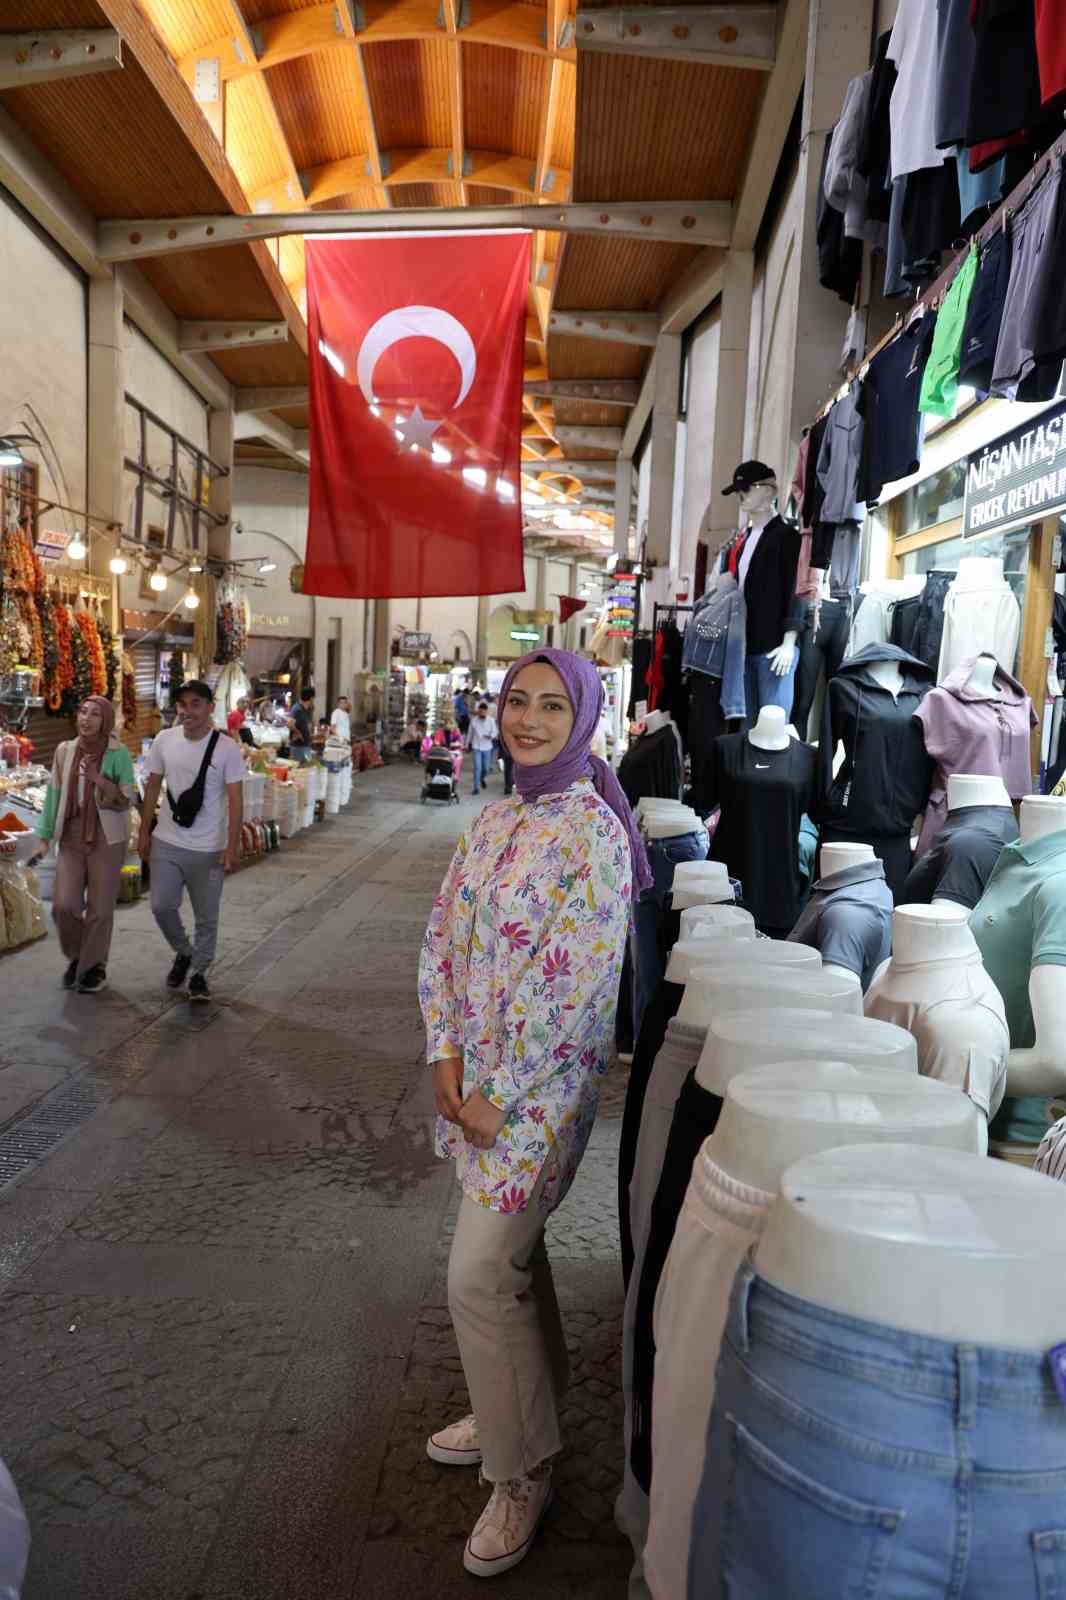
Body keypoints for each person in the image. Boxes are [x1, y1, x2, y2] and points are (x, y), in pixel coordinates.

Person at [419, 648, 650, 1578]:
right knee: (513, 1260)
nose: (530, 720)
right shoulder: (494, 818)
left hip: (538, 1097)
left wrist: (498, 1089)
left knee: (477, 1274)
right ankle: (513, 1400)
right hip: (475, 1080)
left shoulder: (593, 832)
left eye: (554, 706)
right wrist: (443, 1047)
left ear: (585, 718)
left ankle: (523, 1469)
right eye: (519, 700)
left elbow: (576, 988)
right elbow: (442, 937)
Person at [138, 679, 244, 1003]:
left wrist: (231, 846)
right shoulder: (164, 740)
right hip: (166, 842)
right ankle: (184, 951)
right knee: (161, 906)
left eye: (196, 703)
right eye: (182, 704)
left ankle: (199, 973)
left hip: (208, 849)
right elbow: (152, 787)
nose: (187, 711)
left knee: (206, 917)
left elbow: (235, 800)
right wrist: (143, 832)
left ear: (210, 707)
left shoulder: (227, 748)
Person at [29, 694, 136, 994]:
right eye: (83, 712)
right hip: (72, 834)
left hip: (107, 836)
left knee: (100, 908)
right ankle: (78, 956)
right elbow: (53, 795)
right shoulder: (65, 751)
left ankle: (93, 967)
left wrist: (97, 778)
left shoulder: (119, 753)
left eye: (95, 714)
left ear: (106, 721)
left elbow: (128, 798)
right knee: (63, 905)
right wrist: (44, 838)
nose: (86, 719)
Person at [466, 701, 498, 796]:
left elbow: (495, 732)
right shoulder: (474, 720)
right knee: (477, 767)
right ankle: (476, 787)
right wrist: (467, 744)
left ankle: (481, 778)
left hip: (487, 747)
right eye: (480, 712)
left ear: (486, 711)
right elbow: (470, 733)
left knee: (486, 768)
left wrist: (490, 736)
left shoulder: (491, 720)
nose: (482, 714)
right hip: (476, 746)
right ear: (478, 711)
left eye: (484, 712)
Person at [288, 687, 315, 764]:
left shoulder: (306, 709)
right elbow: (289, 723)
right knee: (297, 768)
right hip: (298, 747)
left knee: (307, 767)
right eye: (313, 698)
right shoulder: (297, 709)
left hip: (306, 745)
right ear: (311, 698)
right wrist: (298, 732)